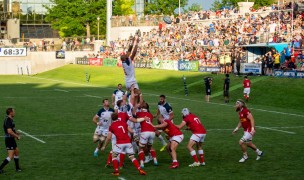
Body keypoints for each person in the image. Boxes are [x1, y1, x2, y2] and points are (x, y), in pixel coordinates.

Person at [0, 108, 21, 173]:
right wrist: (17, 136)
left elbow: (12, 130)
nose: (14, 113)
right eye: (13, 111)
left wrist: (16, 133)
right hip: (9, 140)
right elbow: (9, 131)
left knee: (17, 152)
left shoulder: (11, 120)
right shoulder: (8, 120)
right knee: (10, 156)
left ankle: (17, 168)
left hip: (11, 139)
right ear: (10, 112)